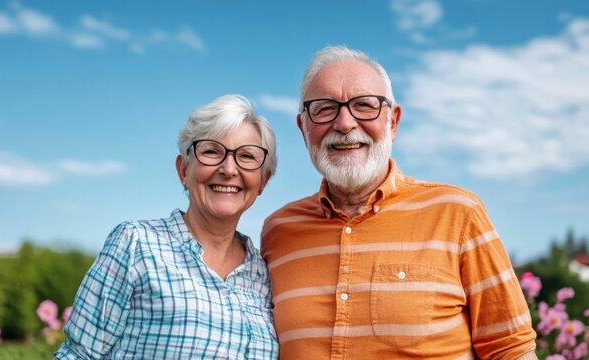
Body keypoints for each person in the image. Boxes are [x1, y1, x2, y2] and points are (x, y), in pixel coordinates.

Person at [261, 46, 537, 359]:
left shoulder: (458, 213)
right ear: (303, 127)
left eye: (364, 105)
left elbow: (511, 350)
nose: (345, 123)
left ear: (393, 121)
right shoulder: (278, 230)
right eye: (324, 108)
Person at [55, 94, 279, 359]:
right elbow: (77, 354)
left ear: (263, 181)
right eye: (211, 151)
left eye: (246, 156)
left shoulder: (265, 274)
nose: (229, 169)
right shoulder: (135, 244)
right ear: (183, 169)